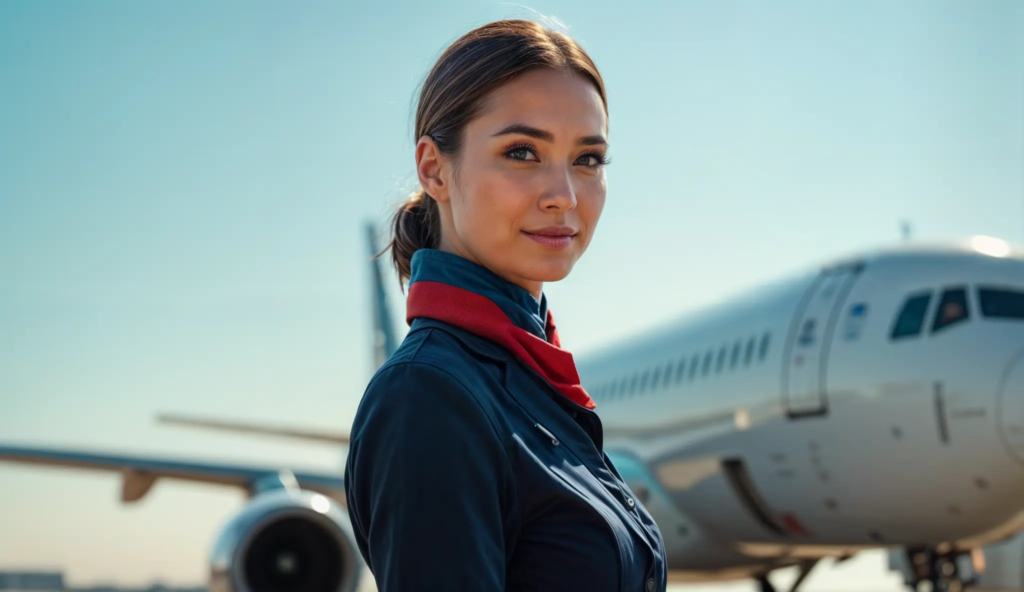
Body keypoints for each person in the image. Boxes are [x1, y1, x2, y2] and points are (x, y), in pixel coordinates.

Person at [343, 19, 667, 592]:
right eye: (522, 152)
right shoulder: (430, 394)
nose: (563, 195)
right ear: (434, 169)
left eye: (588, 159)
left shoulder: (533, 383)